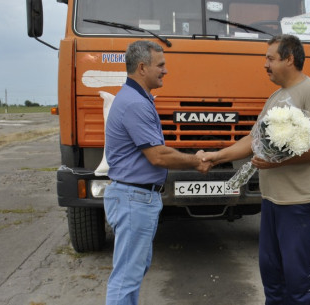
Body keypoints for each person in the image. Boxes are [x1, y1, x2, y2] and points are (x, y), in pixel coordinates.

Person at [202, 34, 310, 305]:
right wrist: (215, 156)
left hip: (298, 202)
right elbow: (252, 141)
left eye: (270, 59)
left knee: (300, 279)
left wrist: (279, 161)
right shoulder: (276, 97)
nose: (265, 65)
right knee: (272, 277)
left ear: (290, 59)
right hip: (272, 201)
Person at [103, 40, 211, 305]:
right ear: (142, 67)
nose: (166, 71)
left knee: (132, 272)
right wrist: (196, 161)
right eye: (160, 65)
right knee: (126, 277)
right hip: (133, 199)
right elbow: (157, 155)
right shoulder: (134, 103)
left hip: (135, 198)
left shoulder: (137, 98)